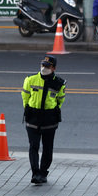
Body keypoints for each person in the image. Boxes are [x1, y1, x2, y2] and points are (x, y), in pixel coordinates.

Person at [21, 55, 66, 184]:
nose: (44, 68)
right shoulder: (30, 79)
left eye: (47, 66)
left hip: (49, 120)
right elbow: (25, 95)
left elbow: (60, 100)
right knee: (33, 146)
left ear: (54, 68)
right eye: (43, 65)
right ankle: (35, 173)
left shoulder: (59, 83)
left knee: (47, 148)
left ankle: (43, 173)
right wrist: (28, 109)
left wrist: (52, 110)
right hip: (33, 118)